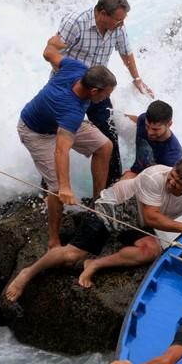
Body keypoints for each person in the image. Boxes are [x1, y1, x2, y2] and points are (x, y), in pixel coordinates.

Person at [18, 35, 116, 250]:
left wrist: (53, 43)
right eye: (106, 94)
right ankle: (53, 239)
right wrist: (65, 187)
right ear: (94, 91)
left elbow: (48, 54)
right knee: (54, 187)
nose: (107, 98)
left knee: (104, 146)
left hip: (59, 122)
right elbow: (61, 151)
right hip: (36, 132)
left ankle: (96, 202)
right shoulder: (70, 110)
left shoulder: (76, 67)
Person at [78, 158, 182, 288]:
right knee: (71, 255)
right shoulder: (155, 175)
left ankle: (95, 264)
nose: (171, 182)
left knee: (151, 251)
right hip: (113, 207)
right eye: (172, 176)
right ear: (172, 169)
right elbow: (151, 218)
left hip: (138, 221)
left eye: (178, 183)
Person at [56, 0, 154, 185]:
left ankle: (112, 186)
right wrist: (69, 79)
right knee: (59, 137)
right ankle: (51, 187)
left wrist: (137, 79)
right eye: (118, 20)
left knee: (110, 136)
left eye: (123, 19)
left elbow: (126, 52)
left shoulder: (117, 27)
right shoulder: (75, 22)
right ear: (102, 13)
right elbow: (54, 54)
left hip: (99, 91)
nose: (122, 24)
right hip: (69, 90)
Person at [3, 212, 110, 302]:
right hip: (107, 211)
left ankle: (95, 263)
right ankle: (27, 273)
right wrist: (53, 239)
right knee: (71, 255)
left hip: (121, 219)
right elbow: (54, 192)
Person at [122, 99, 182, 179]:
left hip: (147, 180)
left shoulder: (172, 154)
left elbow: (162, 183)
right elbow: (129, 119)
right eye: (147, 126)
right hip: (133, 167)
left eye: (155, 129)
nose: (149, 132)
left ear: (169, 124)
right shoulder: (143, 119)